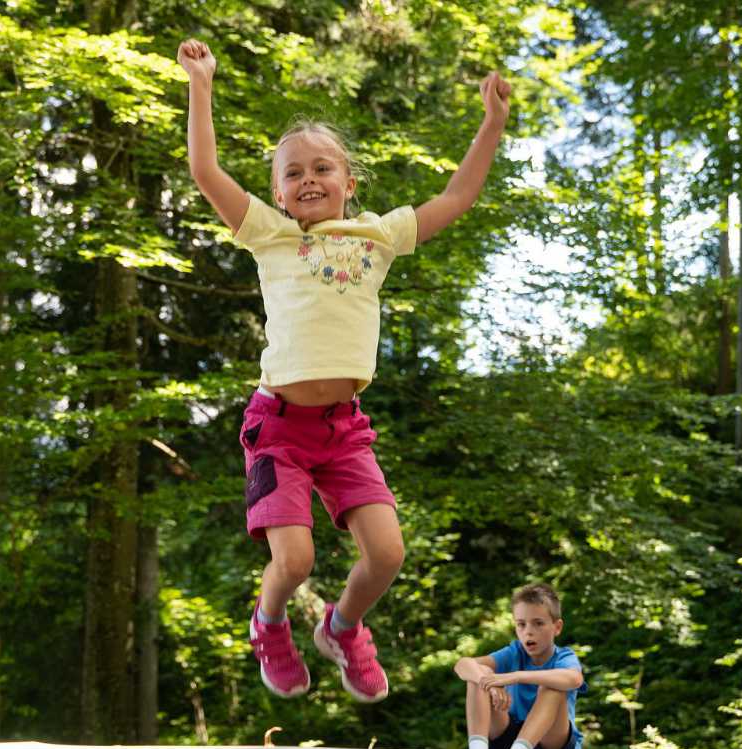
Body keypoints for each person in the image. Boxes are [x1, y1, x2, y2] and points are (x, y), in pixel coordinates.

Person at [176, 38, 512, 703]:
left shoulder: (378, 237)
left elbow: (458, 196)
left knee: (387, 555)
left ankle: (343, 627)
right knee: (294, 560)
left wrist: (492, 123)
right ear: (277, 191)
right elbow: (206, 171)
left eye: (322, 167)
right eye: (293, 172)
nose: (308, 179)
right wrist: (202, 84)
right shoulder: (270, 234)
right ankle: (269, 624)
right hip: (277, 428)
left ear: (349, 182)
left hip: (343, 430)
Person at [445, 583, 587, 749]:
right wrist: (490, 683)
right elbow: (463, 665)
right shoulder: (514, 652)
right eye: (521, 624)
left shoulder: (564, 656)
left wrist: (515, 676)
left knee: (551, 685)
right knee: (479, 674)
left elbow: (574, 679)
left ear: (557, 627)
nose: (528, 632)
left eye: (538, 623)